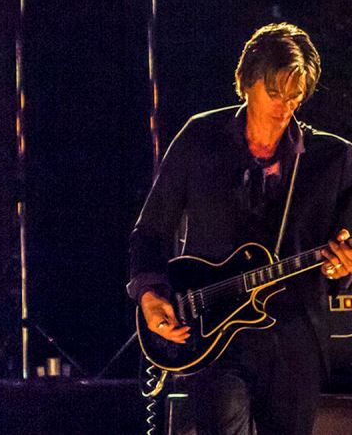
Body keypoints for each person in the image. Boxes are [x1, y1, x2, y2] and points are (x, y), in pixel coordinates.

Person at [129, 22, 352, 434]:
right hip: (213, 335)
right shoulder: (200, 138)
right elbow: (152, 229)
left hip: (294, 341)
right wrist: (149, 294)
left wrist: (342, 267)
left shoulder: (333, 159)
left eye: (295, 95)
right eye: (275, 93)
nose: (285, 107)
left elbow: (344, 249)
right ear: (246, 81)